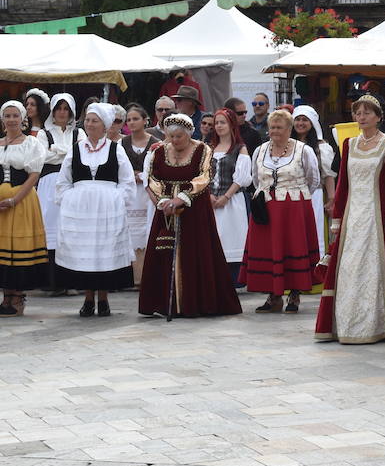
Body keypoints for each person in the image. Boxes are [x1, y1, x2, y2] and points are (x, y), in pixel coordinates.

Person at [315, 95, 385, 344]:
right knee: (347, 267)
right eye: (358, 113)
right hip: (352, 216)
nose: (362, 117)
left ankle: (375, 323)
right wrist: (337, 218)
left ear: (378, 116)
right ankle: (344, 321)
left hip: (375, 216)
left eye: (367, 113)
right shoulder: (349, 144)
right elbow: (343, 184)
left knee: (373, 267)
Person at [138, 114, 243, 318]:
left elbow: (204, 177)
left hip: (195, 209)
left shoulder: (202, 150)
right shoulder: (159, 151)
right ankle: (163, 303)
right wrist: (163, 200)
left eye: (179, 136)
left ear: (188, 134)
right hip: (166, 209)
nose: (174, 141)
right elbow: (152, 178)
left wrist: (182, 198)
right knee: (164, 250)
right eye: (171, 136)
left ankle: (197, 302)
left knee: (196, 251)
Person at [53, 103, 136, 316]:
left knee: (104, 251)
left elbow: (127, 181)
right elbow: (63, 181)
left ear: (105, 125)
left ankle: (104, 298)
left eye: (94, 120)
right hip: (81, 212)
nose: (89, 124)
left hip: (107, 210)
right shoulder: (76, 149)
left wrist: (117, 200)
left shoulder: (115, 149)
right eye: (88, 120)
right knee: (85, 252)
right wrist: (71, 200)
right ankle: (88, 298)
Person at [243, 109, 321, 313]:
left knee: (293, 247)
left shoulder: (303, 150)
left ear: (289, 129)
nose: (275, 131)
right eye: (272, 127)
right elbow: (255, 177)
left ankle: (294, 295)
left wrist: (294, 194)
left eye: (279, 127)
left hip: (294, 208)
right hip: (266, 208)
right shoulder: (260, 150)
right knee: (270, 250)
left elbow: (313, 179)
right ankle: (273, 295)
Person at [0, 101, 47, 316]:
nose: (11, 120)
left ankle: (17, 296)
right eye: (7, 116)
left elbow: (34, 175)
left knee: (18, 247)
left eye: (15, 115)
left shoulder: (32, 144)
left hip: (22, 201)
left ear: (22, 118)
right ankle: (6, 296)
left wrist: (15, 199)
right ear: (2, 119)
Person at [37, 92, 78, 287]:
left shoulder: (79, 133)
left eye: (66, 108)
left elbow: (80, 155)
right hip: (48, 185)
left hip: (71, 184)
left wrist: (56, 151)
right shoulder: (43, 133)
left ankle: (69, 280)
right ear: (52, 111)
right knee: (50, 229)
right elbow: (41, 158)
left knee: (70, 228)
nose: (62, 112)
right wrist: (66, 153)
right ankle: (50, 281)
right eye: (59, 108)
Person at [206, 109, 252, 285]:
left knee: (232, 235)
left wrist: (226, 196)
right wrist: (209, 194)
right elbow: (203, 175)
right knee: (215, 236)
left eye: (222, 122)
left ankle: (234, 278)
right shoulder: (209, 148)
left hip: (232, 201)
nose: (218, 126)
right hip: (211, 202)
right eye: (216, 123)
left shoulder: (239, 149)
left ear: (232, 124)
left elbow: (242, 178)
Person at [120, 104, 161, 286]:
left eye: (135, 118)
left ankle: (146, 275)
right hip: (129, 193)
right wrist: (131, 176)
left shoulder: (155, 143)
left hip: (148, 192)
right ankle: (130, 276)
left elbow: (160, 168)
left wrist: (143, 175)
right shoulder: (122, 143)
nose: (132, 122)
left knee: (146, 230)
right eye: (129, 119)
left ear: (145, 120)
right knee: (129, 230)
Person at [291, 106, 336, 257]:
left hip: (314, 196)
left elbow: (328, 175)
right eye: (297, 119)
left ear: (312, 123)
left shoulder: (321, 146)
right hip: (291, 197)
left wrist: (331, 199)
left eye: (304, 120)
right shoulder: (287, 145)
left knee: (314, 232)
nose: (300, 123)